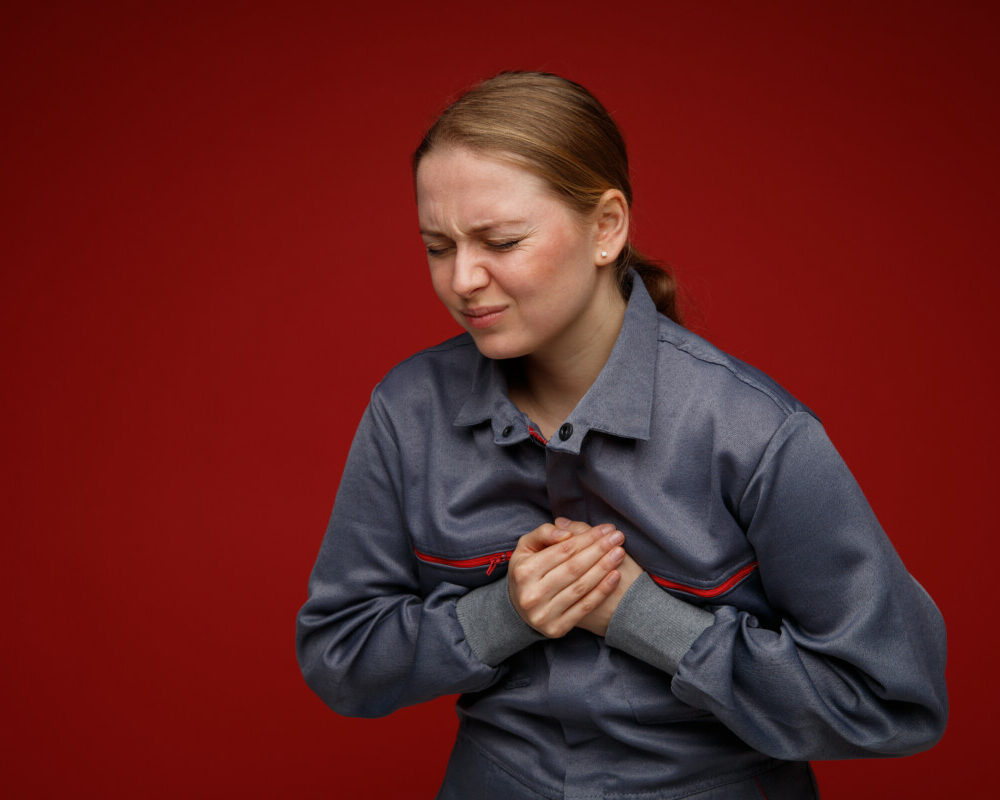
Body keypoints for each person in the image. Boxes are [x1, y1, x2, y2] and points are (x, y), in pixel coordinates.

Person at [296, 71, 947, 799]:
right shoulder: (406, 410)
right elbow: (338, 653)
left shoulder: (755, 431)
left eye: (501, 241)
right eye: (436, 246)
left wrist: (648, 620)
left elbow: (894, 700)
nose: (462, 279)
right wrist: (501, 616)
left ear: (607, 228)